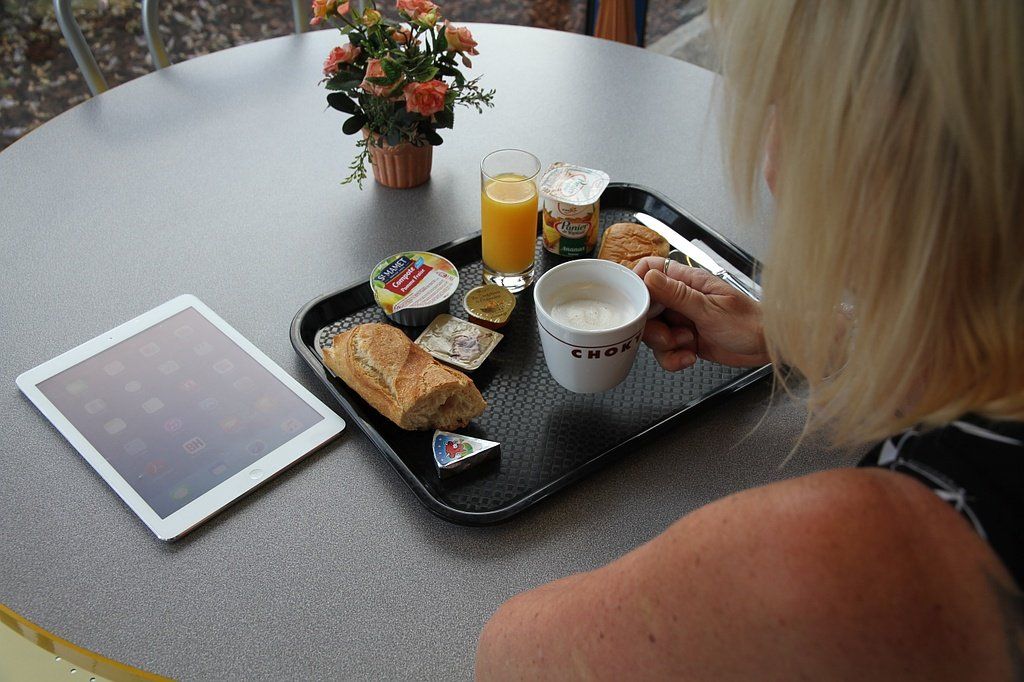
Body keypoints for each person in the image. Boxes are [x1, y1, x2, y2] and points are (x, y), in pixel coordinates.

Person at [475, 0, 1023, 678]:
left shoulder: (846, 565)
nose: (771, 166)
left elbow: (507, 653)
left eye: (785, 103)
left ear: (887, 150)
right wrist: (797, 332)